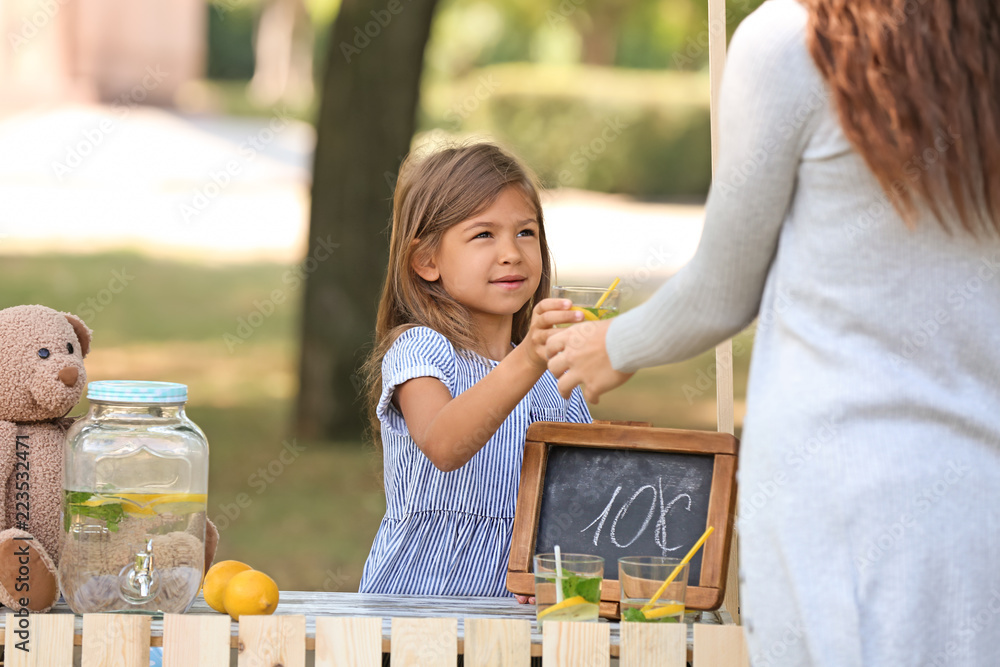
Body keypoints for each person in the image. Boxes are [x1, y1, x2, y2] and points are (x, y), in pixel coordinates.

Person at [545, 0, 1000, 664]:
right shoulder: (981, 45)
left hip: (835, 509)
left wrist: (612, 345)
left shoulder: (793, 40)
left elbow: (722, 289)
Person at [358, 143, 592, 598]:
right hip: (420, 617)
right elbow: (445, 444)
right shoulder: (421, 349)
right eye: (483, 235)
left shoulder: (556, 379)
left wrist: (555, 564)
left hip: (523, 622)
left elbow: (580, 499)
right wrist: (529, 357)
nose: (511, 253)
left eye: (526, 232)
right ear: (426, 260)